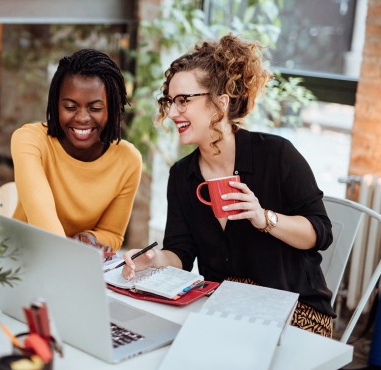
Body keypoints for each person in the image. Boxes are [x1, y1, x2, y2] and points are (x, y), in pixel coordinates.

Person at [122, 34, 335, 337]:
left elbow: (321, 234)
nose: (172, 113)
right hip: (226, 307)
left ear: (219, 103)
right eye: (170, 102)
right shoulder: (183, 176)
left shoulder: (276, 155)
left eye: (183, 101)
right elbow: (181, 254)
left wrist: (264, 218)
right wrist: (152, 261)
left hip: (295, 309)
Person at [11, 49, 142, 255]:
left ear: (113, 108)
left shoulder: (128, 160)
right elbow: (41, 213)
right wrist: (70, 249)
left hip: (77, 263)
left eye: (95, 108)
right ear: (56, 105)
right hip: (22, 256)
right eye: (70, 107)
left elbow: (111, 233)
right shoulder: (30, 140)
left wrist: (88, 239)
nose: (81, 118)